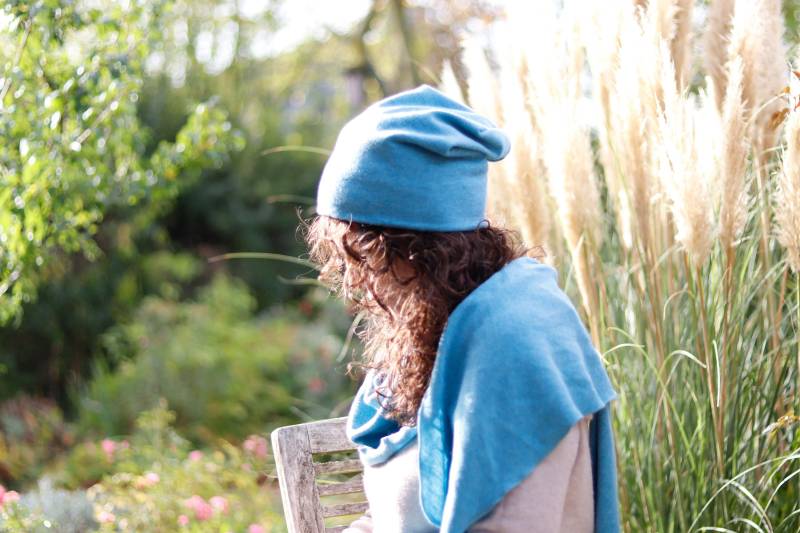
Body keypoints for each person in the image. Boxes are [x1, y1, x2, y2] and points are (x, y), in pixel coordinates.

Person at [301, 84, 619, 533]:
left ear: (417, 249)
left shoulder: (515, 346)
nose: (352, 281)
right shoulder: (434, 328)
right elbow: (394, 517)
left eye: (363, 257)